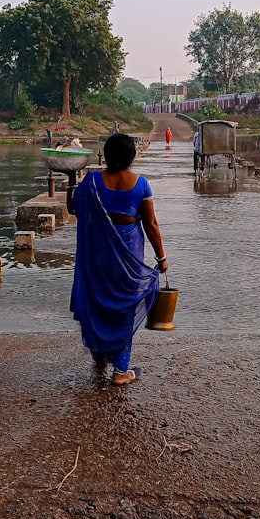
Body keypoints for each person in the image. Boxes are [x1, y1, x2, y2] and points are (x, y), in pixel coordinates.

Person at [66, 133, 168, 386]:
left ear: (107, 154)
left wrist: (70, 181)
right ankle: (121, 370)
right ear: (131, 156)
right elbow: (151, 225)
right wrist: (162, 257)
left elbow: (74, 209)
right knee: (125, 305)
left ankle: (99, 355)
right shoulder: (141, 184)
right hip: (129, 253)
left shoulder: (91, 181)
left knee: (98, 299)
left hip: (98, 252)